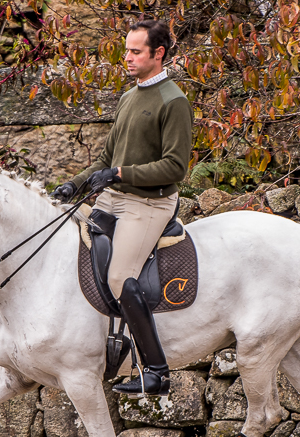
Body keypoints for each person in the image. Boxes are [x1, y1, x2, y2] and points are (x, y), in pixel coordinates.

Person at [53, 19, 192, 397]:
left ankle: (157, 372)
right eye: (126, 50)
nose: (126, 58)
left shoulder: (173, 101)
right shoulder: (130, 97)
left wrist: (119, 172)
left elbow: (176, 167)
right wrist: (75, 184)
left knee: (119, 278)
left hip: (149, 203)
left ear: (158, 53)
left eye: (135, 51)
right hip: (113, 197)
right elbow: (104, 158)